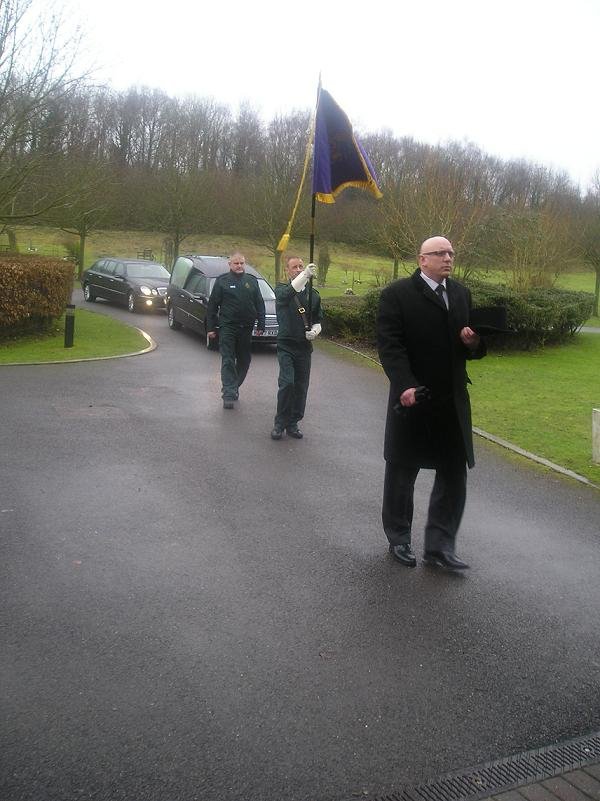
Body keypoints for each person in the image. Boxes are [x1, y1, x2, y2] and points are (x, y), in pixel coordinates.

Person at [376, 236, 486, 571]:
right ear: (422, 260)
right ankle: (399, 538)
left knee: (454, 474)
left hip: (451, 400)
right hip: (414, 399)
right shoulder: (396, 295)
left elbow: (476, 350)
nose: (448, 258)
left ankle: (440, 546)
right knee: (402, 471)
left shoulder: (460, 293)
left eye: (451, 253)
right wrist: (405, 385)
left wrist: (473, 342)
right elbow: (390, 347)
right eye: (441, 253)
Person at [270, 256, 323, 440]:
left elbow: (318, 319)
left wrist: (315, 331)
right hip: (286, 345)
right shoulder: (281, 290)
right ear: (287, 271)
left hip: (304, 348)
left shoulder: (314, 295)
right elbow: (287, 294)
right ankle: (280, 422)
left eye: (301, 267)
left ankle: (293, 422)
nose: (299, 269)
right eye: (295, 267)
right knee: (287, 383)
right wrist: (305, 275)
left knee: (301, 387)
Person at [206, 252, 266, 409]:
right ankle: (229, 393)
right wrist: (211, 328)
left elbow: (259, 303)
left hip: (246, 328)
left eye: (242, 263)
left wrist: (261, 324)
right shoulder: (222, 281)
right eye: (236, 263)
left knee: (245, 360)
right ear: (230, 265)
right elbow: (212, 306)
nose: (239, 266)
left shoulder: (251, 281)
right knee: (228, 359)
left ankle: (233, 386)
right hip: (228, 327)